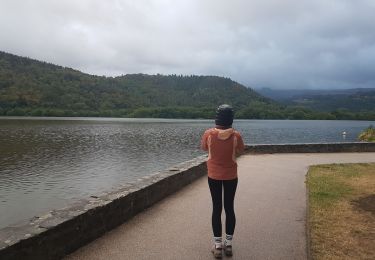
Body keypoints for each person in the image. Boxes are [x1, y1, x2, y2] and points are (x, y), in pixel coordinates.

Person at [201, 104, 245, 259]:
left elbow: (204, 148)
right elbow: (241, 150)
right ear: (231, 119)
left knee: (216, 208)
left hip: (213, 175)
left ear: (217, 117)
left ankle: (218, 246)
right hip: (231, 176)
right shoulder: (236, 136)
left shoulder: (208, 134)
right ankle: (229, 244)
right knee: (229, 208)